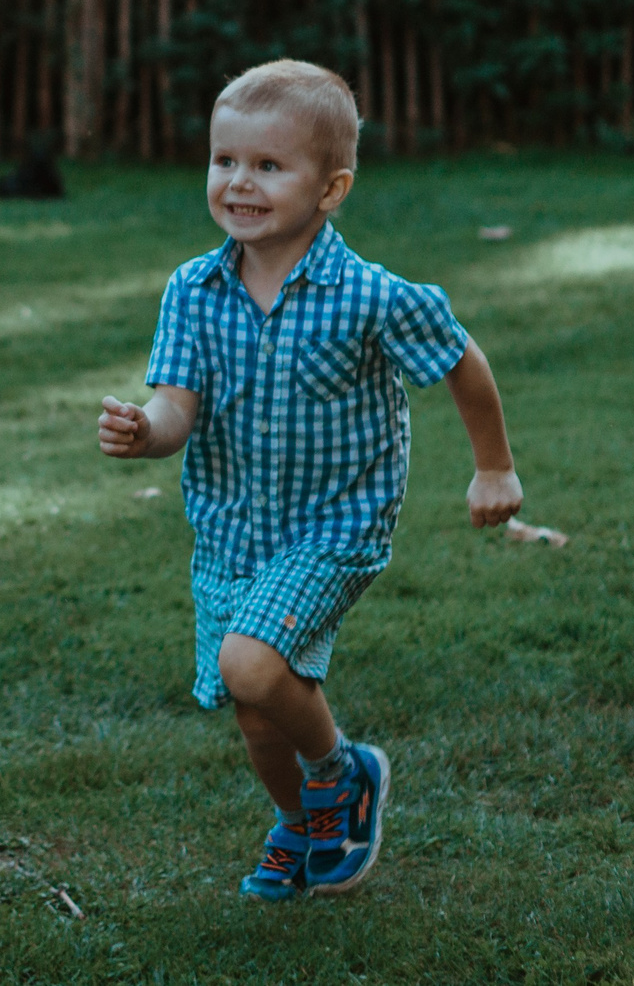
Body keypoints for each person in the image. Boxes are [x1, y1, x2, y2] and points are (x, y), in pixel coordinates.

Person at [94, 59, 524, 901]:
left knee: (252, 663)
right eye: (224, 161)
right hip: (232, 530)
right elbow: (176, 405)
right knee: (255, 709)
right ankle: (301, 819)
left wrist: (494, 466)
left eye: (267, 165)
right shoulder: (194, 288)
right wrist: (147, 431)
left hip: (336, 525)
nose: (238, 183)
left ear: (330, 189)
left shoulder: (369, 294)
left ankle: (344, 772)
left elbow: (461, 361)